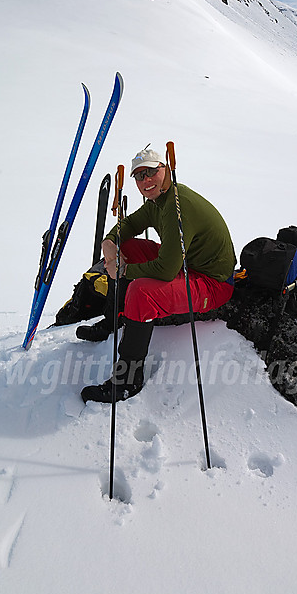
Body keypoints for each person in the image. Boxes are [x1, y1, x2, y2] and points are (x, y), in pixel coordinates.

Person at [79, 146, 236, 403]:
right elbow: (128, 226)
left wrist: (125, 269)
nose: (145, 181)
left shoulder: (178, 207)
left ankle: (128, 379)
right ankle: (114, 319)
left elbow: (165, 270)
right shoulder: (159, 201)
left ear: (165, 170)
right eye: (139, 176)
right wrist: (109, 242)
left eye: (151, 172)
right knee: (125, 247)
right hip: (187, 264)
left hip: (212, 283)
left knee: (142, 292)